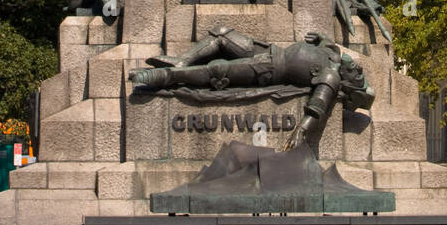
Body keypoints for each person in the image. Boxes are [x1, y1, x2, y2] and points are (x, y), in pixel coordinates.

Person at [130, 28, 374, 144]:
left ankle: (166, 76)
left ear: (348, 84)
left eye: (357, 75)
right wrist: (321, 37)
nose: (357, 69)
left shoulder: (330, 77)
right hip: (266, 50)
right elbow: (326, 41)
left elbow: (317, 107)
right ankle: (183, 61)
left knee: (218, 70)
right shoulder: (332, 54)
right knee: (222, 34)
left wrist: (301, 130)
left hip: (268, 69)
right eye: (359, 71)